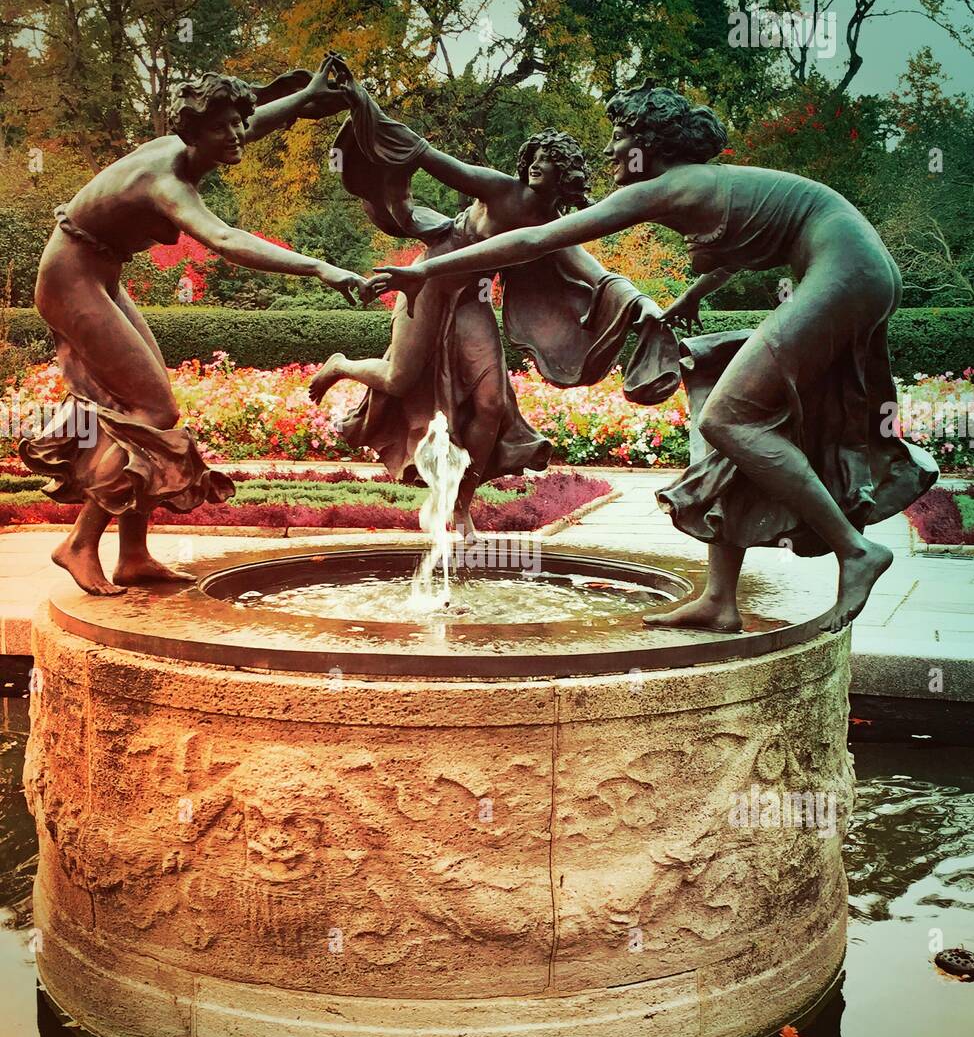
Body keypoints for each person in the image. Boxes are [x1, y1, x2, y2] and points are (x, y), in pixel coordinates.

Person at [371, 80, 937, 631]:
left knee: (727, 418)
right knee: (710, 390)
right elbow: (755, 239)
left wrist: (425, 269)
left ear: (649, 145)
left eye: (619, 135)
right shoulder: (705, 185)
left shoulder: (666, 187)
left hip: (846, 270)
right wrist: (692, 295)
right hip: (851, 268)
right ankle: (720, 600)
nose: (611, 148)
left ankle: (855, 550)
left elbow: (537, 241)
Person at [21, 63, 367, 596]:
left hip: (99, 274)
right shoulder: (166, 180)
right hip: (71, 280)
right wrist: (319, 267)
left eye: (238, 123)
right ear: (193, 132)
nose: (236, 135)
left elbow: (245, 124)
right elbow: (226, 240)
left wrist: (305, 100)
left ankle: (133, 556)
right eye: (222, 127)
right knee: (155, 412)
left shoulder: (190, 143)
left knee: (147, 410)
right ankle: (79, 544)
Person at [305, 62, 681, 533]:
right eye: (538, 155)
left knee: (491, 403)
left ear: (566, 177)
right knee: (399, 380)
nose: (541, 163)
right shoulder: (498, 188)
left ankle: (462, 505)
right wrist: (363, 102)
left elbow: (599, 275)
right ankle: (340, 364)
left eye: (553, 160)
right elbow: (428, 156)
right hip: (426, 284)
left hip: (471, 303)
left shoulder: (555, 229)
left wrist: (643, 303)